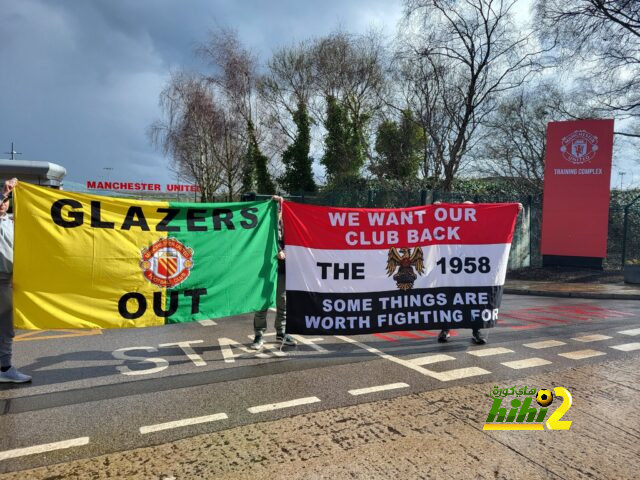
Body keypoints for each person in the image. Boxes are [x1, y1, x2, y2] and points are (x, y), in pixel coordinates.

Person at [435, 200, 523, 345]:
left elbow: (498, 225)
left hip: (473, 273)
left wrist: (514, 211)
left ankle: (476, 332)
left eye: (469, 209)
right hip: (452, 272)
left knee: (475, 302)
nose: (466, 213)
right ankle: (445, 329)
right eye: (463, 209)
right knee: (450, 301)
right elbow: (436, 224)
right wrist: (436, 209)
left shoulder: (481, 228)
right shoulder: (450, 226)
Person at [250, 195, 296, 350]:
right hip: (264, 270)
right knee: (261, 303)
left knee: (283, 302)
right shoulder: (262, 226)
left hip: (282, 269)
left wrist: (285, 252)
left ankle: (281, 332)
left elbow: (296, 244)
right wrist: (273, 253)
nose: (278, 212)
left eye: (280, 209)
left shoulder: (288, 225)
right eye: (275, 209)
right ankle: (259, 335)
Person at [0, 178, 31, 383]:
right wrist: (4, 192)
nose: (3, 203)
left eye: (6, 200)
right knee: (4, 326)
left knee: (5, 327)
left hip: (8, 281)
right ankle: (4, 368)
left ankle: (4, 366)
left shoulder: (11, 222)